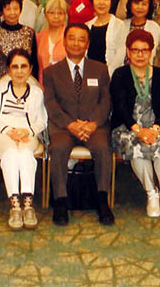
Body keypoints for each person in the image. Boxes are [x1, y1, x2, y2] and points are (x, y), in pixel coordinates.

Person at [44, 23, 114, 226]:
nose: (76, 43)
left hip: (94, 126)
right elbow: (51, 103)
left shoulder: (100, 69)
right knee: (58, 148)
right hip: (63, 127)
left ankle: (102, 200)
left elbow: (106, 101)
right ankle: (60, 201)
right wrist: (70, 125)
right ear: (64, 42)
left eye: (81, 39)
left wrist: (93, 124)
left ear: (88, 43)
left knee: (102, 148)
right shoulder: (51, 72)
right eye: (72, 38)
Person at [110, 30, 160, 219]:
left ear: (151, 51)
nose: (140, 55)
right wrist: (138, 130)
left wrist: (155, 128)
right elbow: (120, 107)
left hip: (156, 126)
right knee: (137, 146)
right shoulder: (120, 74)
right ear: (128, 51)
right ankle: (151, 194)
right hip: (126, 127)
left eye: (144, 50)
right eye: (135, 50)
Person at [0, 49, 48, 230]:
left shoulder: (36, 92)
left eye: (23, 66)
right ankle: (15, 206)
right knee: (11, 154)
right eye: (15, 67)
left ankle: (28, 205)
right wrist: (9, 131)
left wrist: (27, 131)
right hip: (3, 133)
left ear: (30, 69)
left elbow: (42, 120)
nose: (19, 71)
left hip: (27, 134)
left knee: (26, 155)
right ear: (8, 69)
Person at [0, 0, 38, 88]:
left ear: (20, 10)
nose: (12, 13)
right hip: (2, 85)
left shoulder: (30, 33)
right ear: (2, 11)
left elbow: (34, 63)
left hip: (26, 84)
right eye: (8, 9)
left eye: (15, 8)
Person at [85, 0, 126, 77]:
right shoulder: (87, 25)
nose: (101, 3)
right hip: (90, 74)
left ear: (111, 2)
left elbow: (121, 52)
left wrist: (107, 73)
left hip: (111, 74)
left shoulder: (119, 25)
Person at [35, 0, 68, 86]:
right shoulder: (39, 37)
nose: (56, 16)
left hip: (66, 85)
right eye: (52, 13)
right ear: (46, 15)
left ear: (65, 16)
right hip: (44, 84)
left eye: (60, 13)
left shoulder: (70, 36)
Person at [123, 0, 160, 64]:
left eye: (144, 4)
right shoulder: (123, 24)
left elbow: (151, 53)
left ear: (149, 6)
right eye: (136, 3)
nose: (140, 7)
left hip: (144, 67)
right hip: (123, 68)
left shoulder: (154, 27)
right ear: (130, 5)